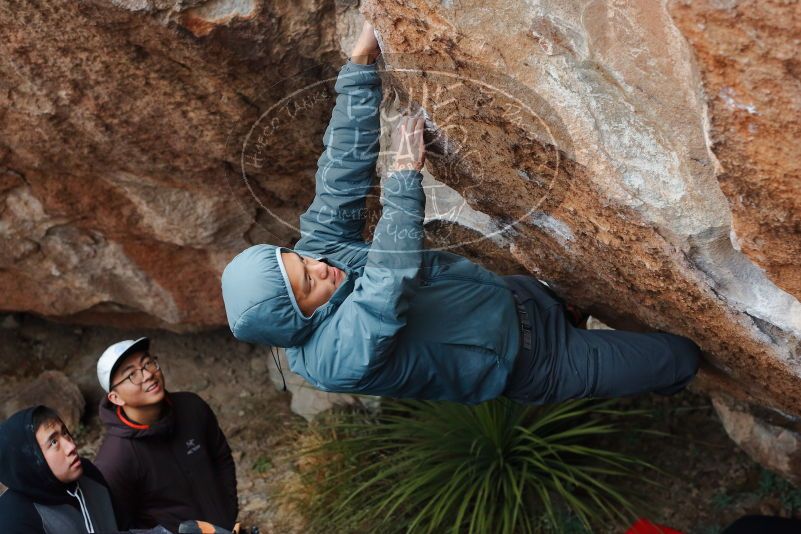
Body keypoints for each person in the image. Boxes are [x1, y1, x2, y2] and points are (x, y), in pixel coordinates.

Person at [220, 20, 700, 405]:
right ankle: (668, 386)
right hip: (539, 364)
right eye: (308, 283)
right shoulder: (331, 360)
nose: (320, 266)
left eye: (300, 260)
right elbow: (387, 284)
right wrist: (405, 176)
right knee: (679, 358)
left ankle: (584, 319)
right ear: (298, 320)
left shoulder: (321, 255)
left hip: (518, 298)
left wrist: (360, 65)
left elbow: (340, 173)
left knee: (613, 314)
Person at [94, 337, 238, 532]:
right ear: (115, 398)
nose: (147, 375)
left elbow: (221, 458)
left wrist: (227, 513)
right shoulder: (115, 460)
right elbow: (121, 526)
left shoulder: (191, 407)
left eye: (148, 363)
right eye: (131, 375)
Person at [0, 405, 171, 533]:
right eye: (53, 442)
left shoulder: (89, 475)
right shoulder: (13, 518)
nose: (71, 446)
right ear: (30, 459)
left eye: (65, 433)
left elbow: (122, 529)